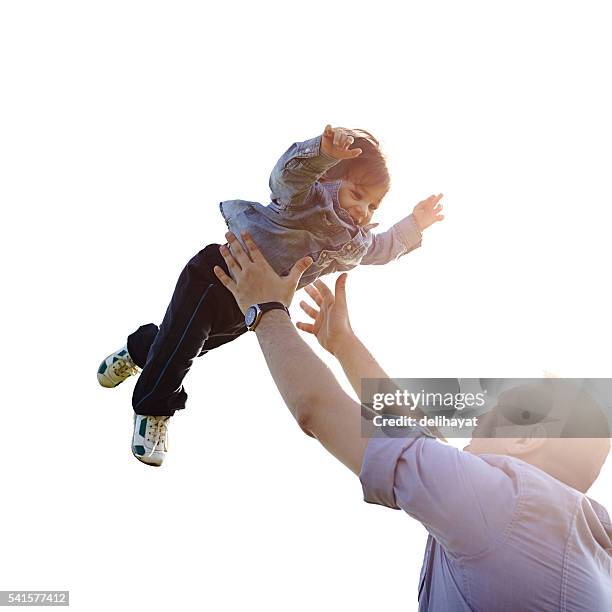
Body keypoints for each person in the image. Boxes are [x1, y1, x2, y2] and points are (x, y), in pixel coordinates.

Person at [213, 230, 612, 611]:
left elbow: (318, 409)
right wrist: (344, 345)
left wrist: (263, 308)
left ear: (527, 440)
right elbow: (423, 441)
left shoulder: (501, 506)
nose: (475, 421)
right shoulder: (576, 543)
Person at [96, 124, 444, 466]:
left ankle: (140, 348)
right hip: (217, 276)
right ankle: (152, 408)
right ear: (326, 179)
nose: (362, 211)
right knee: (182, 349)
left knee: (183, 345)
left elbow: (383, 247)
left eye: (372, 207)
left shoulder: (354, 242)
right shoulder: (305, 200)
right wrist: (322, 154)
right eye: (357, 195)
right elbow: (287, 177)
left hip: (251, 309)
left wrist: (415, 224)